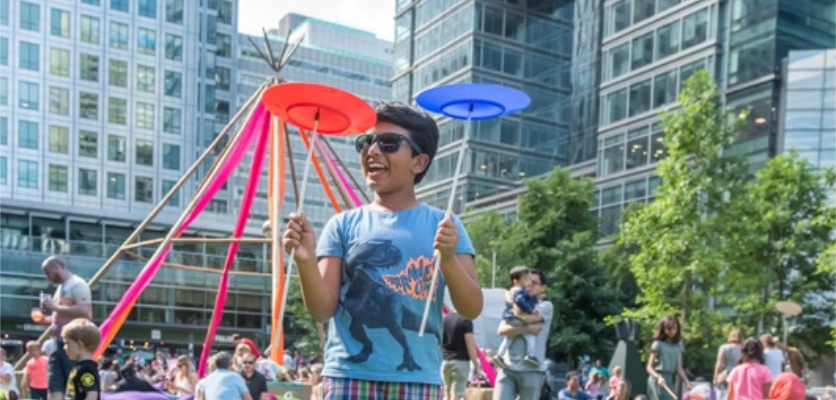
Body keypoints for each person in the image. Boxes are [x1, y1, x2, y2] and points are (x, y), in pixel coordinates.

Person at [282, 102, 482, 399]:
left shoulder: (444, 225)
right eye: (366, 142)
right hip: (347, 376)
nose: (372, 151)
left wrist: (449, 260)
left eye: (389, 144)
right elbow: (322, 309)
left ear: (419, 162)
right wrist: (305, 261)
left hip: (418, 380)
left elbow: (471, 307)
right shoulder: (342, 225)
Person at [36, 256, 93, 400]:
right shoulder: (61, 287)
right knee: (55, 382)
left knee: (73, 381)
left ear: (56, 268)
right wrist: (47, 319)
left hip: (73, 342)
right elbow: (62, 315)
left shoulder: (78, 284)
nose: (48, 277)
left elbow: (84, 310)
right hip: (57, 342)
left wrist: (53, 307)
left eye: (48, 273)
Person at [493, 269, 553, 400]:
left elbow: (526, 318)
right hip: (507, 368)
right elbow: (501, 330)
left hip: (531, 370)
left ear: (543, 288)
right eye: (527, 281)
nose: (529, 285)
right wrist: (526, 329)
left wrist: (514, 300)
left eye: (534, 283)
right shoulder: (513, 306)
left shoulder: (546, 306)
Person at [493, 266, 539, 368]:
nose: (528, 283)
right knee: (530, 336)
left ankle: (499, 355)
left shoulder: (513, 291)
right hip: (517, 319)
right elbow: (520, 301)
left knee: (509, 339)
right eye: (526, 279)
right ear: (516, 281)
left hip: (511, 318)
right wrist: (530, 310)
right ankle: (530, 355)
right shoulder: (519, 291)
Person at [645, 315, 692, 400]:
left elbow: (679, 368)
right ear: (663, 329)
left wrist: (686, 381)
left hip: (670, 379)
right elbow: (649, 367)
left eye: (674, 328)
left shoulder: (678, 345)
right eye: (669, 329)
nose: (672, 331)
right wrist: (658, 377)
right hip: (658, 380)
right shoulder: (658, 344)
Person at [441, 311, 481, 400]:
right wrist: (476, 365)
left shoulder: (445, 319)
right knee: (457, 394)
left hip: (444, 361)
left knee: (446, 393)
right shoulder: (466, 320)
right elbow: (470, 345)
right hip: (460, 362)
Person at [62, 318, 101, 400]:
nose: (64, 347)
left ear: (80, 344)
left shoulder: (85, 369)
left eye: (67, 343)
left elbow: (92, 395)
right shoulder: (80, 367)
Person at [714, 328, 743, 400]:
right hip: (739, 375)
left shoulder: (724, 347)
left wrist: (715, 377)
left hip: (726, 375)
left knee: (724, 395)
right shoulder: (743, 349)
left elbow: (719, 364)